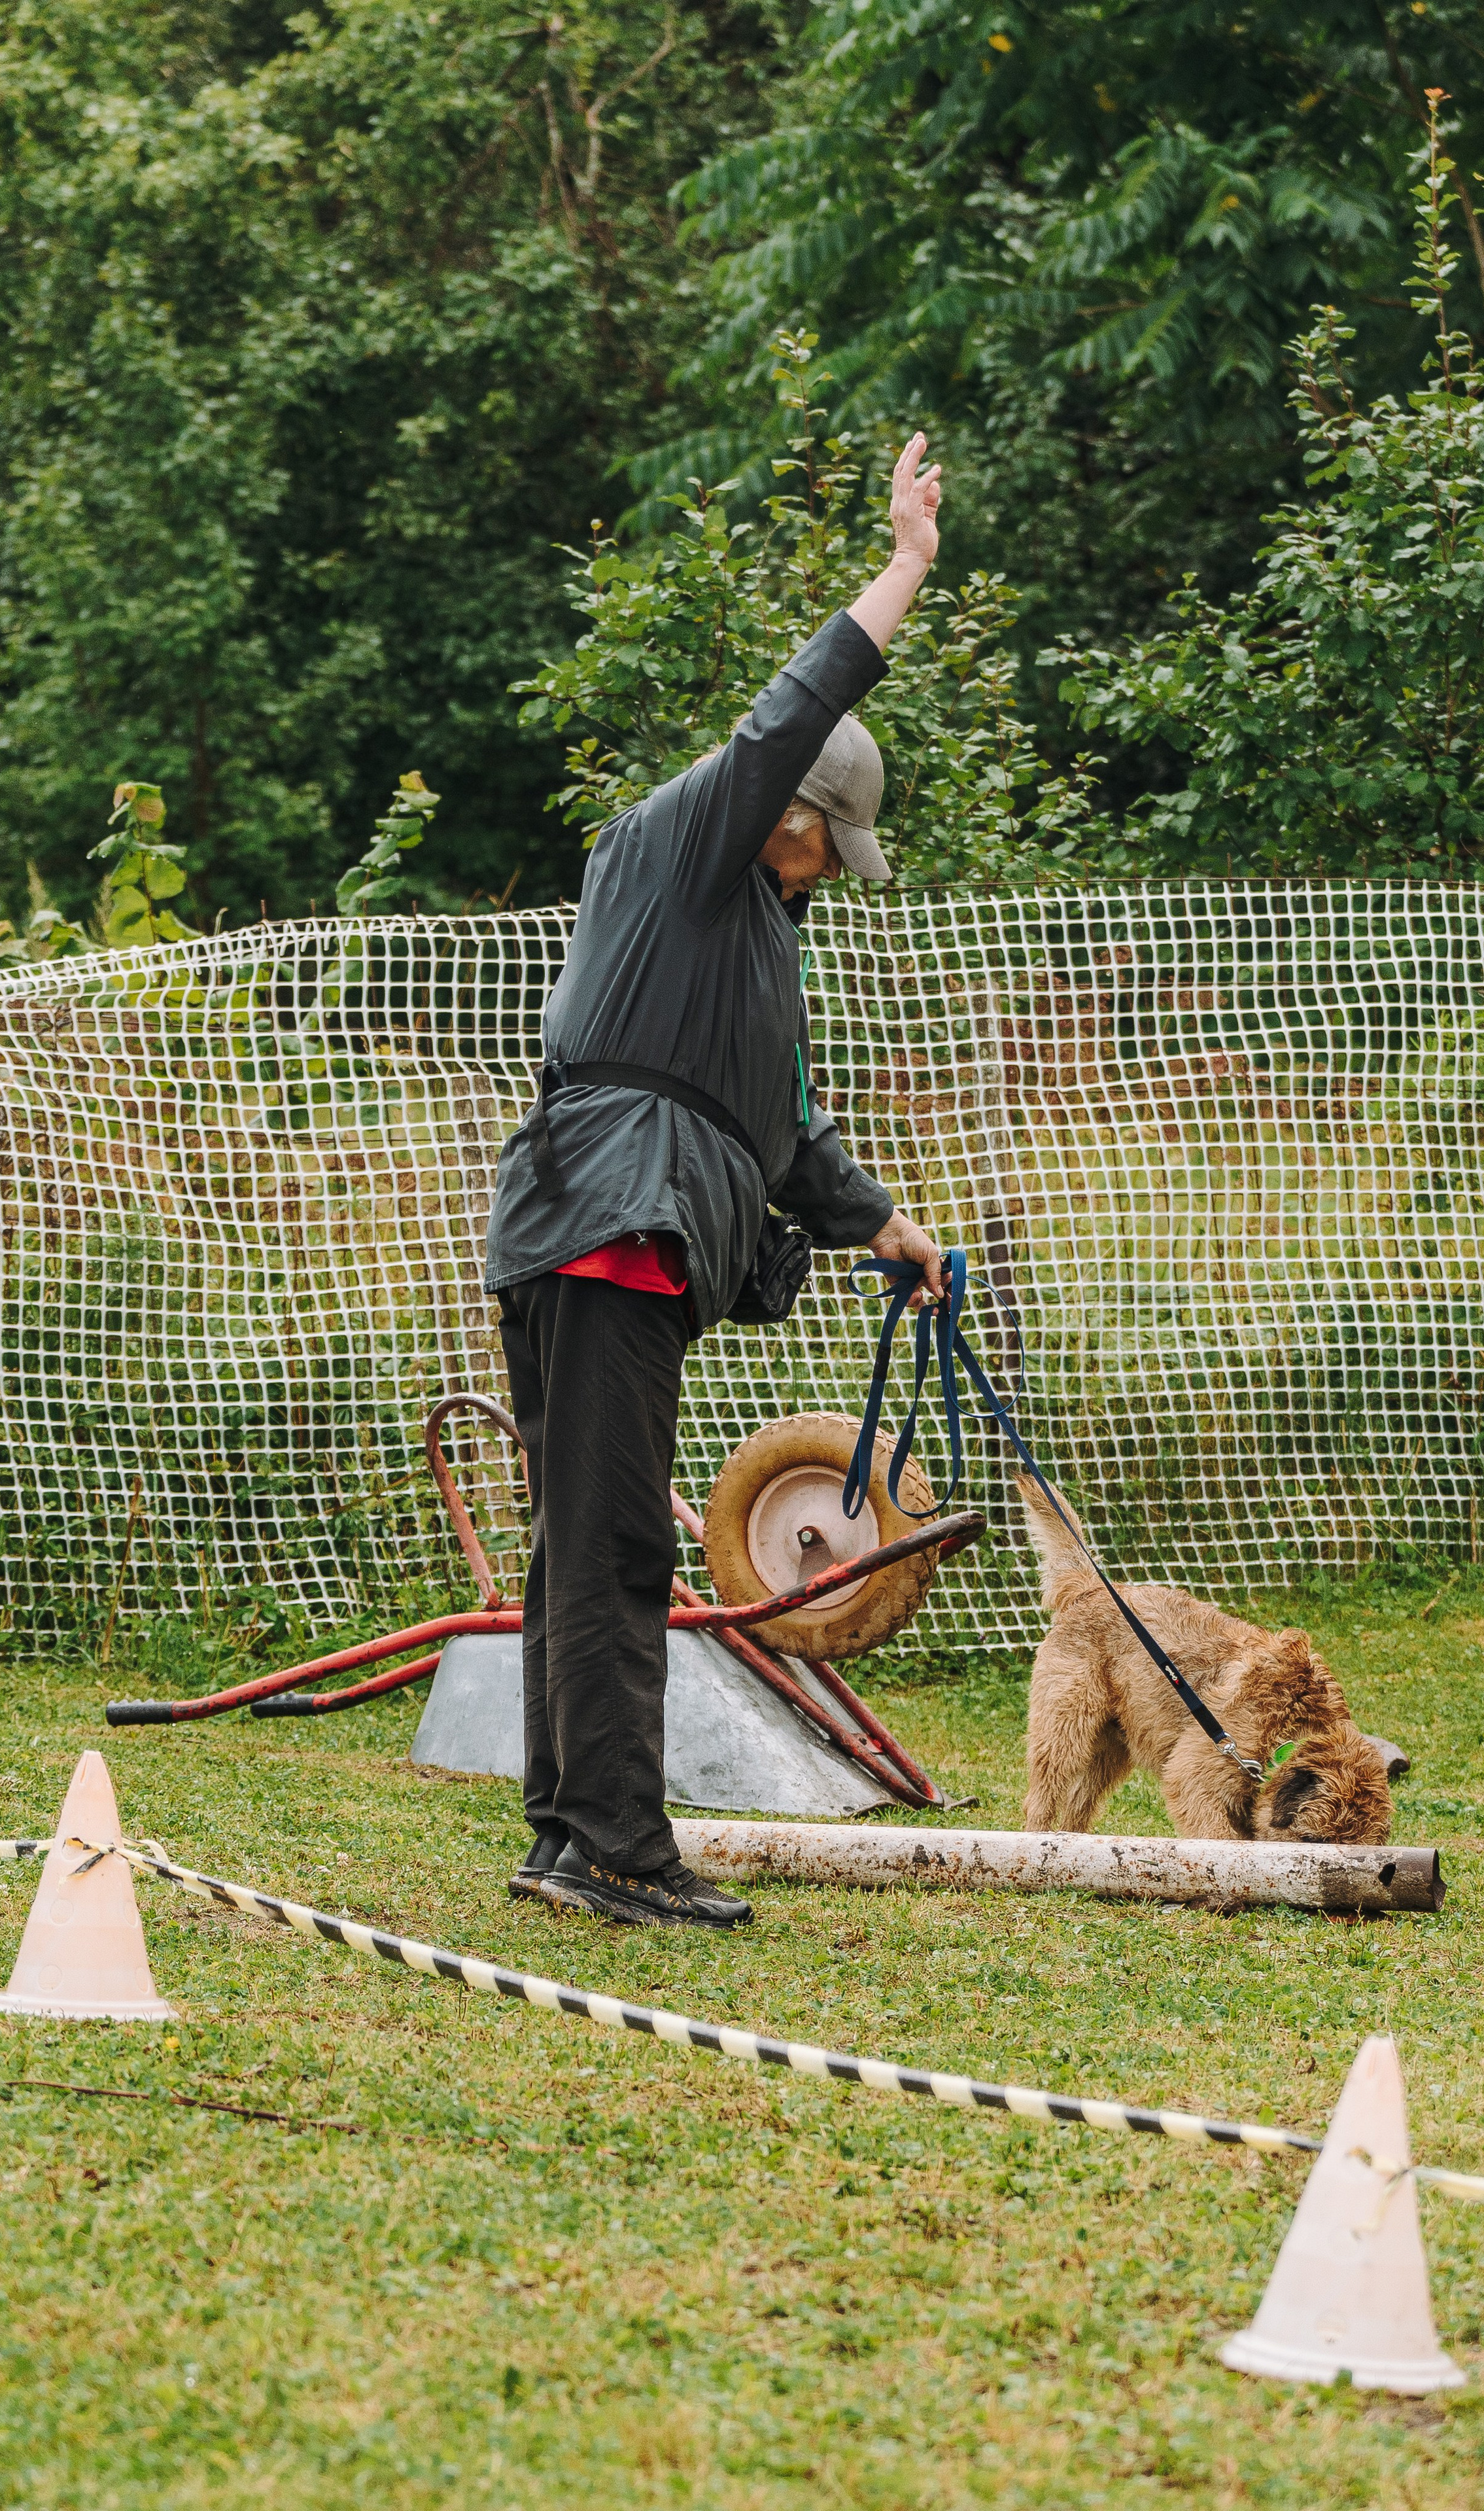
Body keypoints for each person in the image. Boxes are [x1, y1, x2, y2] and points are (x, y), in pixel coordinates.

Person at [485, 432, 947, 1931]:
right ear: (784, 810)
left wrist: (884, 1224)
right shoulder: (691, 848)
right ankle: (621, 1844)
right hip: (611, 1215)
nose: (826, 868)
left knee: (581, 1535)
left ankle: (569, 1833)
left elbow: (784, 1135)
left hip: (617, 1216)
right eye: (827, 839)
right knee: (617, 1542)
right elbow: (786, 713)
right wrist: (901, 572)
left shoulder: (751, 939)